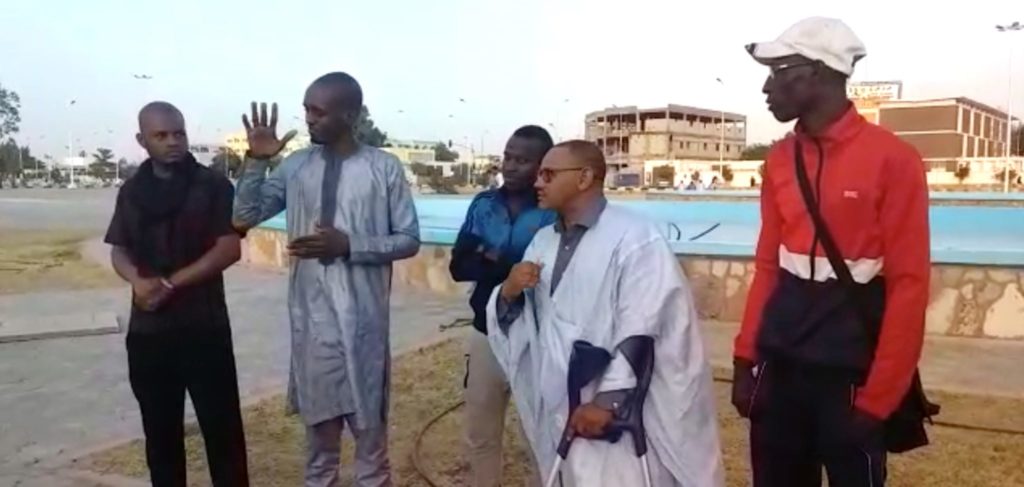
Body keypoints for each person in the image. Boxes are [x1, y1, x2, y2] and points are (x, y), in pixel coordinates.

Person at [732, 17, 930, 487]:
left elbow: (909, 285)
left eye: (778, 70)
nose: (766, 86)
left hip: (849, 378)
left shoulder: (894, 160)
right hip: (780, 370)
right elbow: (767, 267)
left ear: (815, 73)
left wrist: (881, 397)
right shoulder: (780, 159)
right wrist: (744, 362)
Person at [487, 140, 724, 486]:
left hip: (613, 415)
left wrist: (608, 401)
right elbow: (533, 324)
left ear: (584, 178)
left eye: (549, 174)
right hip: (561, 406)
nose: (538, 183)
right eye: (539, 174)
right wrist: (507, 293)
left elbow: (643, 326)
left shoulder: (636, 238)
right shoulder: (542, 242)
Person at [232, 72, 420, 487]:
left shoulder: (382, 167)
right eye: (306, 110)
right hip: (313, 327)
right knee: (319, 458)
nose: (309, 119)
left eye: (318, 112)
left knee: (372, 456)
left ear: (349, 115)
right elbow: (243, 218)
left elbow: (408, 240)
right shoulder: (296, 167)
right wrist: (258, 161)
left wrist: (349, 245)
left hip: (364, 329)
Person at [105, 102, 249, 487]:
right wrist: (137, 281)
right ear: (142, 140)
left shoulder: (213, 186)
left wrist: (170, 284)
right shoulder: (133, 191)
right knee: (161, 435)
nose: (173, 142)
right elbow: (118, 248)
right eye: (161, 135)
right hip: (149, 334)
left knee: (223, 435)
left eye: (179, 133)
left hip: (204, 328)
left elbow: (228, 248)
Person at [449, 125, 557, 487]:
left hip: (537, 336)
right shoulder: (484, 206)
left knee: (540, 434)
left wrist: (487, 255)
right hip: (486, 331)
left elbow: (549, 276)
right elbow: (458, 267)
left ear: (543, 167)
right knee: (481, 433)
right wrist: (508, 268)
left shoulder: (553, 213)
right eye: (508, 157)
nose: (510, 166)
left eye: (522, 160)